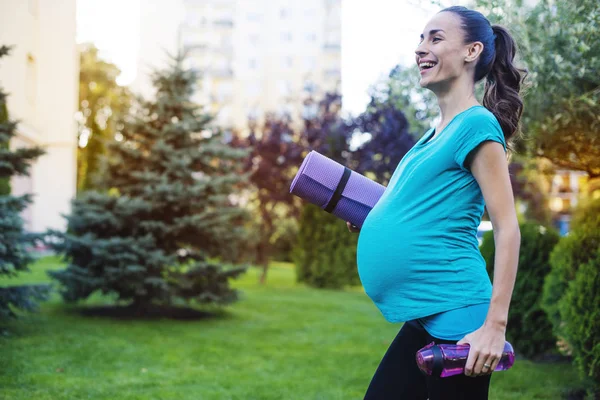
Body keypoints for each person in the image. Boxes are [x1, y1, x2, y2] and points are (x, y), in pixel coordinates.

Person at [347, 6, 526, 399]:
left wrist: (494, 326)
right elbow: (421, 207)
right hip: (428, 313)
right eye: (421, 39)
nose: (420, 48)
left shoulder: (477, 125)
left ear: (472, 51)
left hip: (461, 315)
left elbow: (508, 227)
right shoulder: (434, 133)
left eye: (435, 38)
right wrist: (377, 221)